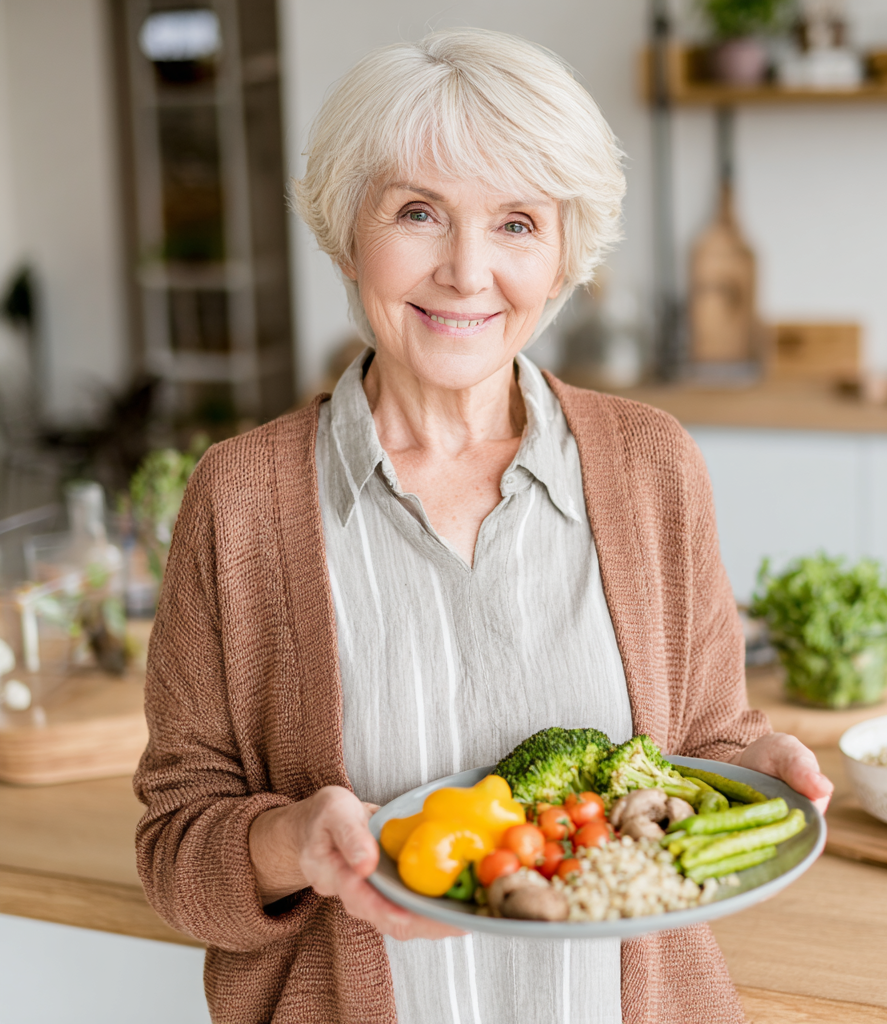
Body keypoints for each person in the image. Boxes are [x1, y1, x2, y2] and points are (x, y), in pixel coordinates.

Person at [134, 27, 832, 1024]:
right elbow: (175, 847)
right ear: (346, 229)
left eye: (516, 222)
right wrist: (292, 841)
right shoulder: (240, 500)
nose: (467, 271)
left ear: (562, 255)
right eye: (417, 212)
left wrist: (754, 768)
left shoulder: (650, 464)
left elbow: (708, 734)